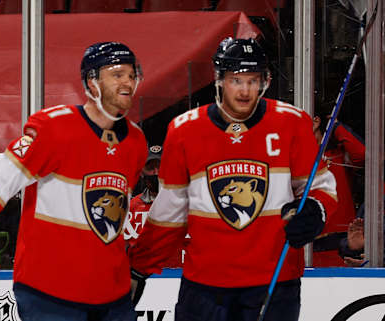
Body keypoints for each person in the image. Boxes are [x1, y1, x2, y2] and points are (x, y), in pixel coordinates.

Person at [0, 41, 148, 321]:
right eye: (117, 74)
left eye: (131, 74)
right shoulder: (54, 128)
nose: (128, 81)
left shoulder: (136, 142)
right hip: (51, 293)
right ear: (92, 82)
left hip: (111, 295)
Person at [128, 38, 338, 321]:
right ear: (219, 80)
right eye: (236, 80)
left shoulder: (292, 123)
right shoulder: (184, 130)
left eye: (253, 81)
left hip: (274, 282)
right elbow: (169, 213)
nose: (245, 91)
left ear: (266, 80)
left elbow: (321, 188)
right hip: (205, 286)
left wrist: (315, 210)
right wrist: (139, 266)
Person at [311, 114, 365, 266]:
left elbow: (362, 155)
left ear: (316, 121)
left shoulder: (338, 155)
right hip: (305, 247)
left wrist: (336, 126)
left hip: (340, 247)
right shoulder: (293, 159)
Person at [126, 145, 188, 268]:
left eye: (160, 166)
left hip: (183, 278)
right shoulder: (131, 207)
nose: (156, 172)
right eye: (150, 167)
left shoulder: (190, 204)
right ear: (142, 171)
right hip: (146, 279)